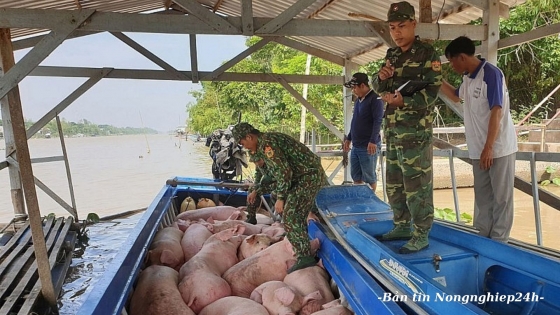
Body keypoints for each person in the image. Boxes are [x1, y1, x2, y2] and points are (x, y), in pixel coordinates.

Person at [372, 1, 442, 253]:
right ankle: (401, 224)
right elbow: (379, 88)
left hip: (415, 133)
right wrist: (379, 79)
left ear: (413, 24)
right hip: (393, 130)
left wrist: (406, 100)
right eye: (392, 28)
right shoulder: (391, 55)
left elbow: (433, 92)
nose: (397, 32)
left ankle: (421, 232)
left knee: (417, 184)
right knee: (394, 182)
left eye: (402, 26)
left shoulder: (427, 54)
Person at [440, 36, 518, 242]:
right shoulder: (468, 78)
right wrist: (436, 79)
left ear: (462, 57)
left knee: (502, 197)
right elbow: (457, 96)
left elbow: (497, 111)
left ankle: (500, 241)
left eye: (452, 61)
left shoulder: (491, 75)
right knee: (483, 197)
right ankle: (483, 237)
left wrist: (489, 147)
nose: (452, 66)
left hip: (498, 148)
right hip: (478, 149)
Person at [232, 122, 329, 272]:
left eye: (242, 142)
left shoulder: (267, 145)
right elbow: (273, 175)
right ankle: (296, 238)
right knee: (292, 213)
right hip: (300, 177)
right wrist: (257, 189)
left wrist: (281, 198)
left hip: (308, 176)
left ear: (249, 137)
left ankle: (305, 256)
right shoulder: (264, 144)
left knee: (291, 214)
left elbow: (284, 172)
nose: (243, 146)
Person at [343, 73, 384, 191]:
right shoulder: (358, 101)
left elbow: (378, 120)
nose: (353, 90)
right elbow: (355, 121)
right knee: (356, 176)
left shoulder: (375, 99)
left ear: (362, 85)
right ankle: (359, 201)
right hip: (356, 145)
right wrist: (349, 138)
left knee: (369, 178)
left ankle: (370, 204)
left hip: (368, 145)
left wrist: (373, 141)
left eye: (354, 87)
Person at [245, 154, 277, 225]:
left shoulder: (271, 164)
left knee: (274, 194)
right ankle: (251, 217)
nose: (257, 163)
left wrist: (255, 191)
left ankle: (282, 218)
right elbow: (258, 176)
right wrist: (254, 188)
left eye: (258, 161)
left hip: (278, 185)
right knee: (251, 189)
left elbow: (267, 180)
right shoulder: (258, 165)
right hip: (267, 185)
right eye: (254, 162)